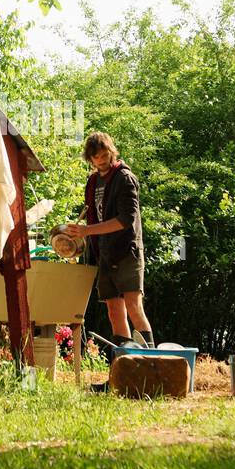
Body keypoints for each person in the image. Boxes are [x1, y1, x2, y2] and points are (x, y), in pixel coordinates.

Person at [65, 131, 155, 357]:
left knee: (134, 307)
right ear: (91, 159)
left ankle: (153, 365)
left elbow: (126, 220)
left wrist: (87, 230)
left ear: (112, 152)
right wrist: (75, 231)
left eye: (105, 154)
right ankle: (123, 368)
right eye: (97, 157)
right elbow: (94, 215)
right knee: (114, 311)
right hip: (104, 253)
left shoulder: (125, 178)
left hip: (127, 252)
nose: (102, 160)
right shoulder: (93, 181)